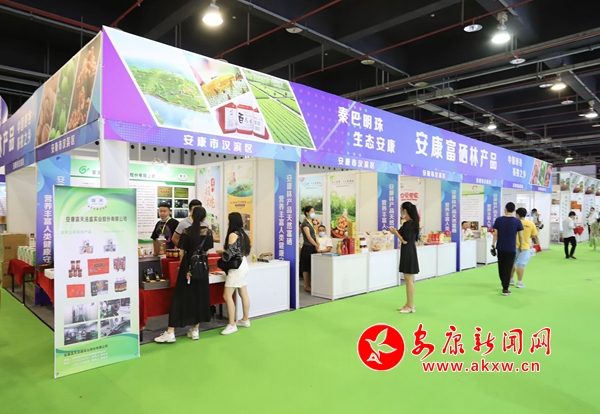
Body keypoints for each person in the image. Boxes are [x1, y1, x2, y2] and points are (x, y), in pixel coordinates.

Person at [155, 206, 213, 343]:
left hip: (187, 269)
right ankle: (195, 330)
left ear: (192, 216)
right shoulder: (208, 233)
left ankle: (171, 332)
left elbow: (181, 253)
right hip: (202, 269)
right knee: (199, 297)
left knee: (179, 298)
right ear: (204, 218)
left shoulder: (187, 231)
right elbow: (207, 252)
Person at [217, 212, 251, 335]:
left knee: (227, 296)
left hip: (236, 267)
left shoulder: (233, 234)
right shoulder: (244, 234)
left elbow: (228, 255)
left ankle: (232, 324)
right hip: (244, 264)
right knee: (243, 293)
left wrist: (221, 253)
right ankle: (245, 319)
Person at [390, 201, 420, 313]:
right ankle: (408, 304)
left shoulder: (409, 224)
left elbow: (404, 241)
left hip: (408, 252)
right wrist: (395, 232)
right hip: (409, 251)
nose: (400, 212)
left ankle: (410, 305)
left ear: (405, 211)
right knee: (408, 280)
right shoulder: (411, 224)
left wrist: (396, 233)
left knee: (409, 280)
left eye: (401, 210)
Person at [492, 202, 524, 296]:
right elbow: (521, 236)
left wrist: (493, 244)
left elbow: (495, 234)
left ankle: (504, 283)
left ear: (505, 209)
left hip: (500, 247)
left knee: (501, 267)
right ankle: (505, 288)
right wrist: (521, 246)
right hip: (511, 248)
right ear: (514, 210)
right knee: (508, 267)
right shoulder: (517, 222)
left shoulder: (499, 220)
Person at [510, 208, 538, 289]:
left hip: (513, 246)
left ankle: (511, 280)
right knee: (521, 264)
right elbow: (533, 235)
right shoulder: (530, 223)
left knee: (512, 263)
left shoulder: (513, 222)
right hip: (525, 246)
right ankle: (519, 282)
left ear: (517, 214)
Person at [300, 206, 320, 292]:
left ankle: (312, 284)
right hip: (308, 247)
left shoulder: (311, 222)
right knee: (306, 267)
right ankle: (307, 285)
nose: (313, 213)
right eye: (311, 212)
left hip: (313, 247)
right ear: (307, 213)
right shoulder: (305, 224)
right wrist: (315, 244)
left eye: (314, 211)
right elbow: (308, 237)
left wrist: (317, 243)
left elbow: (314, 235)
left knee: (312, 266)